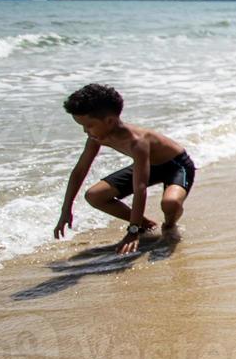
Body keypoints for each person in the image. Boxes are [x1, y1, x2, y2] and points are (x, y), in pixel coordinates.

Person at [55, 83, 194, 255]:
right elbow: (79, 171)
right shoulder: (96, 137)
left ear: (110, 121)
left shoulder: (137, 142)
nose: (85, 131)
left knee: (170, 203)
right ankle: (146, 225)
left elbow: (140, 187)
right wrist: (66, 210)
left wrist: (132, 231)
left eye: (89, 125)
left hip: (177, 166)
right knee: (94, 196)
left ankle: (169, 225)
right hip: (149, 165)